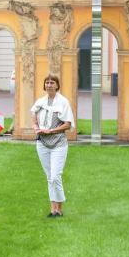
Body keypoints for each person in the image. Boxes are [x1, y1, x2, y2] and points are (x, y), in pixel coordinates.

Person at [30, 74, 74, 218]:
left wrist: (52, 130)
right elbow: (33, 116)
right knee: (49, 176)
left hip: (58, 143)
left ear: (57, 85)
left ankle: (60, 208)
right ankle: (53, 209)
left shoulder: (63, 102)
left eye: (52, 82)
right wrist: (36, 127)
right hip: (42, 143)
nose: (49, 85)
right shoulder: (40, 102)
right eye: (47, 82)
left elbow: (68, 124)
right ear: (44, 85)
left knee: (56, 176)